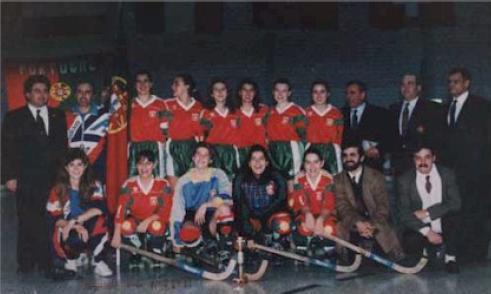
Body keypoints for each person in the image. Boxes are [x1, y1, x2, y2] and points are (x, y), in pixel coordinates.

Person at [1, 75, 68, 276]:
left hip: (52, 179)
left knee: (49, 218)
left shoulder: (58, 115)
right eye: (37, 91)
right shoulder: (14, 117)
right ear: (27, 94)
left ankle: (49, 261)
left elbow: (63, 148)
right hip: (26, 178)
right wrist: (9, 177)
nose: (42, 95)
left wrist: (63, 177)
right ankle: (26, 263)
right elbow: (6, 150)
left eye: (45, 91)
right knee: (27, 219)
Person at [439, 67, 491, 262]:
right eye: (449, 82)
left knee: (478, 211)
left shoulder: (482, 106)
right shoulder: (445, 107)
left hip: (477, 172)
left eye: (456, 81)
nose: (451, 85)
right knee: (456, 212)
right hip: (452, 172)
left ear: (466, 83)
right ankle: (458, 250)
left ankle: (477, 254)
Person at [335, 138, 405, 263]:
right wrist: (358, 223)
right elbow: (342, 207)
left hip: (375, 223)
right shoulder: (338, 180)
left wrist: (371, 225)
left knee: (382, 255)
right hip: (354, 224)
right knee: (341, 231)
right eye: (345, 155)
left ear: (361, 158)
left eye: (353, 155)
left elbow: (383, 206)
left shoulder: (376, 176)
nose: (348, 159)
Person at [47, 148, 113, 278]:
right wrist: (72, 224)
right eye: (72, 165)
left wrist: (76, 220)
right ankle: (71, 259)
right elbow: (54, 217)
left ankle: (98, 260)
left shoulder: (94, 184)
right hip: (68, 226)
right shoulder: (58, 189)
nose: (76, 169)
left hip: (84, 222)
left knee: (102, 222)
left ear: (85, 166)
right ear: (66, 168)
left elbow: (99, 208)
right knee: (67, 233)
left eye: (79, 164)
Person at [397, 144, 461, 273]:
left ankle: (450, 258)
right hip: (421, 227)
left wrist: (428, 212)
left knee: (455, 218)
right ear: (413, 160)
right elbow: (403, 213)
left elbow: (456, 203)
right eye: (418, 158)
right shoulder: (404, 180)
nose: (422, 162)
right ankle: (426, 251)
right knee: (409, 241)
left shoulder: (447, 174)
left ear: (434, 158)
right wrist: (427, 232)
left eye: (427, 157)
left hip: (443, 221)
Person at [111, 150, 173, 270]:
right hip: (136, 220)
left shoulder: (163, 184)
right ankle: (136, 251)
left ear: (154, 165)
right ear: (136, 165)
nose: (144, 168)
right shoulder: (128, 185)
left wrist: (148, 221)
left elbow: (166, 210)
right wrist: (116, 234)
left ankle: (156, 250)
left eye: (148, 164)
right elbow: (121, 210)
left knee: (156, 226)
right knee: (126, 226)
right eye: (141, 164)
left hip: (155, 220)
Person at [170, 143, 234, 251]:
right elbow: (177, 210)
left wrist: (205, 205)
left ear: (210, 160)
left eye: (206, 155)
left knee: (225, 209)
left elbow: (227, 198)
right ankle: (198, 243)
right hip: (192, 217)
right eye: (198, 154)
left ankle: (225, 248)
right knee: (189, 232)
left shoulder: (218, 174)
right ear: (193, 158)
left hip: (212, 215)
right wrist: (175, 239)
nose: (201, 158)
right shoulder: (183, 181)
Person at [233, 145, 290, 247]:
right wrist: (249, 232)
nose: (257, 163)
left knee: (282, 222)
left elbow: (281, 200)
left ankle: (278, 242)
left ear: (267, 162)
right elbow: (239, 203)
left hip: (270, 215)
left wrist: (264, 218)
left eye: (261, 159)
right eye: (254, 159)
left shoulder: (276, 176)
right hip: (248, 217)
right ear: (249, 163)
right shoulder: (240, 178)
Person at [389, 74, 444, 176]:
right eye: (402, 84)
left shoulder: (432, 108)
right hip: (399, 167)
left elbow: (436, 138)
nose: (405, 88)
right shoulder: (393, 109)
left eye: (410, 84)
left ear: (418, 88)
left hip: (422, 164)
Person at [342, 80, 397, 171]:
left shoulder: (379, 114)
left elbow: (391, 137)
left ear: (362, 95)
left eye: (352, 93)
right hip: (347, 167)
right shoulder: (340, 114)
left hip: (372, 167)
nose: (348, 97)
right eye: (347, 93)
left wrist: (378, 149)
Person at [289, 148, 336, 251]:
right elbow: (299, 202)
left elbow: (329, 203)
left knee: (329, 229)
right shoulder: (299, 180)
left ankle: (326, 249)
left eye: (316, 162)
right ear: (304, 164)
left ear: (322, 163)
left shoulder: (328, 180)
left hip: (324, 216)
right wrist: (307, 214)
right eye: (308, 162)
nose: (312, 166)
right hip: (306, 215)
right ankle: (303, 247)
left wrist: (320, 219)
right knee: (304, 228)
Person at [265, 79, 307, 191]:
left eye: (284, 91)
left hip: (291, 150)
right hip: (273, 150)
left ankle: (293, 207)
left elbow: (304, 136)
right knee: (275, 181)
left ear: (289, 93)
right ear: (273, 92)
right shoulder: (269, 113)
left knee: (292, 180)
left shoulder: (297, 111)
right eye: (277, 91)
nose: (280, 94)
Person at [66, 81, 111, 183]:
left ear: (93, 95)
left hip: (98, 166)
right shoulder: (66, 115)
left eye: (87, 92)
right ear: (75, 94)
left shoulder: (104, 115)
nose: (83, 96)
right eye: (80, 92)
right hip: (74, 169)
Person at [164, 74, 204, 186]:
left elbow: (202, 131)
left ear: (187, 86)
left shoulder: (199, 106)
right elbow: (161, 128)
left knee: (193, 184)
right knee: (174, 186)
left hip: (192, 147)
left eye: (176, 83)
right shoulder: (167, 104)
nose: (172, 86)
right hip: (173, 147)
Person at [128, 70, 167, 178]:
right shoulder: (128, 105)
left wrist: (162, 144)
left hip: (154, 146)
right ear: (135, 85)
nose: (142, 85)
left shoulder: (160, 103)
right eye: (139, 82)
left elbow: (165, 128)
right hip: (135, 146)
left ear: (151, 84)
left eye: (146, 81)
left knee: (157, 178)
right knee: (133, 179)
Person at [200, 79, 240, 179]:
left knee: (230, 181)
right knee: (213, 182)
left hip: (230, 153)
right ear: (212, 94)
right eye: (216, 90)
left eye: (223, 89)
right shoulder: (206, 113)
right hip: (213, 152)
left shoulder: (235, 113)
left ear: (227, 92)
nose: (220, 92)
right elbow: (202, 136)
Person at [305, 80, 344, 175]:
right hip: (312, 151)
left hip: (331, 152)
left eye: (322, 91)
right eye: (315, 92)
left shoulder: (336, 113)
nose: (319, 95)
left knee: (334, 181)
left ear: (328, 94)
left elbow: (340, 136)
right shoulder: (305, 113)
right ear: (311, 94)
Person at [235, 79, 269, 165]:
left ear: (255, 93)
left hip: (260, 153)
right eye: (245, 90)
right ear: (240, 92)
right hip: (241, 153)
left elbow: (270, 132)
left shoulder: (264, 110)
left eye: (251, 90)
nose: (248, 93)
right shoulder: (233, 112)